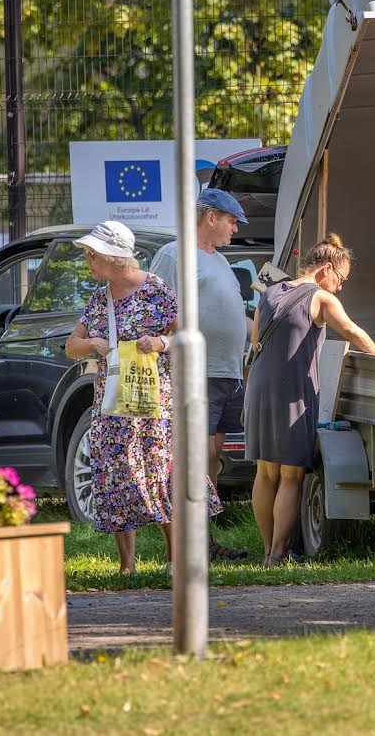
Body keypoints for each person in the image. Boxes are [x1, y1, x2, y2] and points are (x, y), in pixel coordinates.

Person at [64, 219, 222, 575]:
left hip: (154, 405)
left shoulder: (157, 290)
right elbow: (71, 346)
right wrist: (92, 344)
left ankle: (174, 559)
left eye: (92, 255)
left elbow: (187, 332)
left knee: (162, 474)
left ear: (112, 257)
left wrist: (161, 343)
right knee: (118, 478)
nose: (88, 261)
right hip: (112, 406)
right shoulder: (98, 300)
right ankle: (127, 567)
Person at [245, 233, 375, 565]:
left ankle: (266, 549)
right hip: (293, 391)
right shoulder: (321, 298)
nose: (341, 287)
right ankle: (277, 554)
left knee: (265, 473)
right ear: (328, 268)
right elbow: (350, 330)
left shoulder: (270, 290)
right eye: (342, 279)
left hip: (259, 388)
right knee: (291, 475)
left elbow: (253, 339)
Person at [148, 188, 251, 561]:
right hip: (195, 371)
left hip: (226, 372)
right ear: (211, 217)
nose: (234, 228)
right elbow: (155, 309)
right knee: (195, 453)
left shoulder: (220, 261)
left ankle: (201, 539)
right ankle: (188, 544)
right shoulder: (174, 255)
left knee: (213, 454)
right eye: (231, 220)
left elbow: (236, 317)